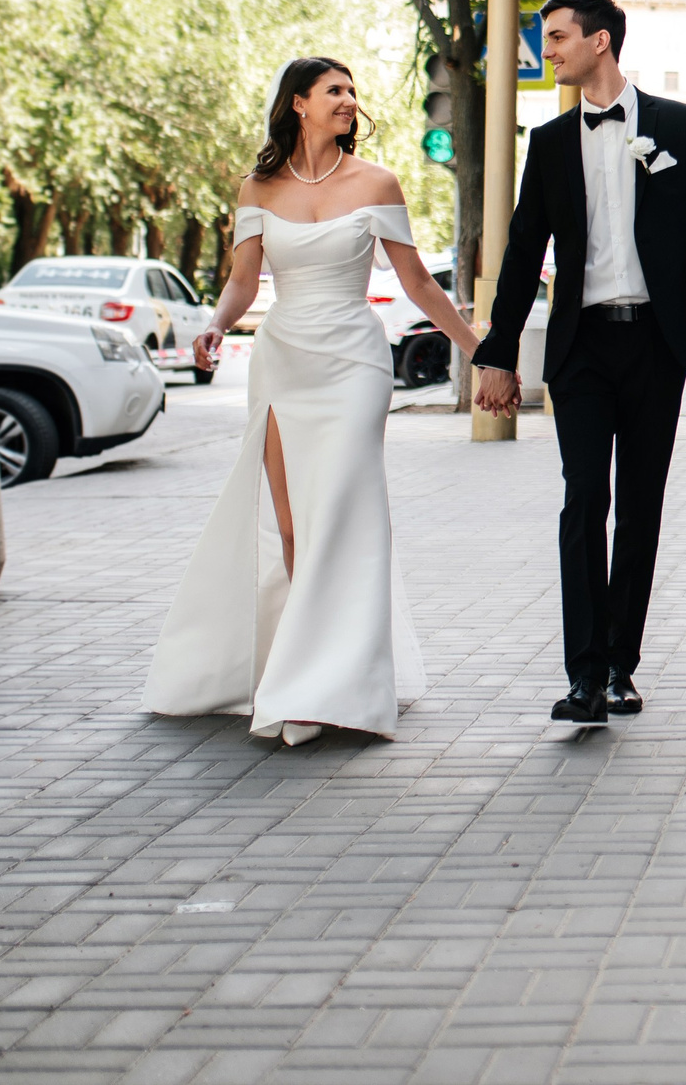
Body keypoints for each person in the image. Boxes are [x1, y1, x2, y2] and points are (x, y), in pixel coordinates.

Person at [144, 57, 480, 745]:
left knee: (347, 517)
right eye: (335, 90)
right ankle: (302, 667)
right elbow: (244, 281)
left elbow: (416, 281)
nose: (350, 101)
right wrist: (213, 323)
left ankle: (337, 682)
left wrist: (480, 349)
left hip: (354, 364)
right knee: (294, 526)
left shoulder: (377, 181)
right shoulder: (258, 186)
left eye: (353, 91)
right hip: (283, 362)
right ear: (298, 103)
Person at [474, 0, 686, 726]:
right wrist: (498, 352)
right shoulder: (546, 145)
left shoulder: (677, 124)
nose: (551, 51)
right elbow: (521, 255)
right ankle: (581, 676)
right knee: (584, 500)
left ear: (601, 42)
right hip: (580, 345)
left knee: (640, 506)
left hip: (653, 343)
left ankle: (619, 668)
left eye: (560, 37)